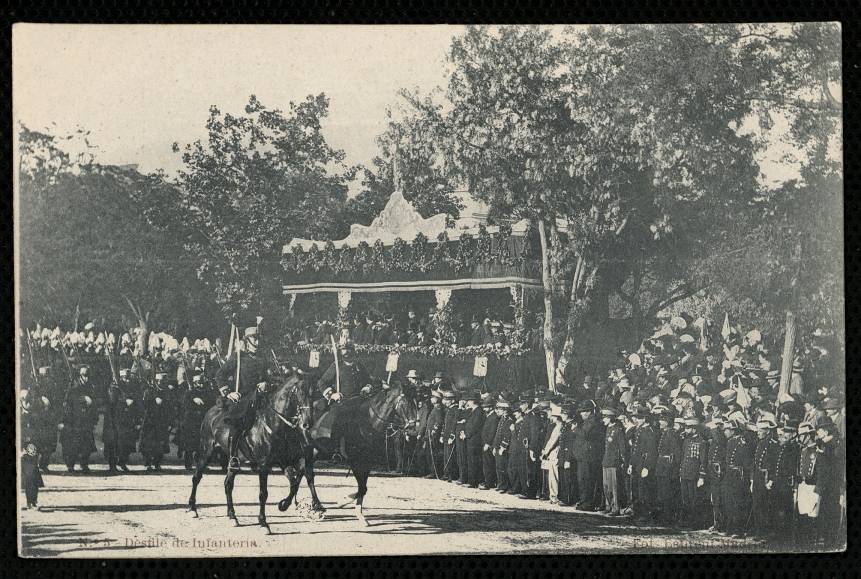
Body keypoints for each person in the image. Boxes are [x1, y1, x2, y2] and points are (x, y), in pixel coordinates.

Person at [218, 326, 269, 468]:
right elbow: (220, 375)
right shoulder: (239, 357)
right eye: (254, 338)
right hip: (242, 397)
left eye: (258, 338)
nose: (257, 342)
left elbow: (266, 377)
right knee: (238, 422)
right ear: (247, 341)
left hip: (259, 397)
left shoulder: (262, 359)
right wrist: (229, 392)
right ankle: (233, 457)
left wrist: (266, 383)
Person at [312, 340, 371, 459]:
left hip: (358, 401)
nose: (346, 352)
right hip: (341, 402)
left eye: (349, 350)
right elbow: (322, 382)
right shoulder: (336, 366)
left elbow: (368, 381)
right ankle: (336, 449)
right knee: (337, 419)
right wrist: (332, 394)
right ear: (341, 352)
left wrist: (366, 387)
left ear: (353, 351)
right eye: (344, 350)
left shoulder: (359, 366)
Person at [60, 365, 99, 473]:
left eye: (88, 375)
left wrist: (94, 419)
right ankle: (70, 465)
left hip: (86, 420)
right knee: (71, 444)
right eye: (84, 375)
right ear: (79, 375)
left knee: (86, 444)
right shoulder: (73, 386)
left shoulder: (90, 387)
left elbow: (94, 403)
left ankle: (84, 464)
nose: (86, 378)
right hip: (74, 421)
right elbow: (67, 403)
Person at [721, 413, 753, 538]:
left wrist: (747, 478)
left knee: (738, 503)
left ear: (733, 431)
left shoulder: (741, 442)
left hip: (739, 476)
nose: (725, 432)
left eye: (727, 430)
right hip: (730, 475)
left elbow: (747, 463)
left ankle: (738, 530)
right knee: (729, 502)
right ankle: (730, 528)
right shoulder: (730, 442)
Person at [750, 412, 781, 535]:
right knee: (757, 503)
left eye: (761, 430)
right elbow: (756, 463)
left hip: (766, 477)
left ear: (767, 431)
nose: (758, 432)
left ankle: (765, 531)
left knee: (765, 504)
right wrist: (752, 479)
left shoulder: (773, 445)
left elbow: (774, 464)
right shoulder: (760, 443)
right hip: (758, 476)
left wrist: (771, 479)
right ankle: (759, 530)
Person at [180, 373, 216, 470]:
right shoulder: (189, 393)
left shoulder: (207, 392)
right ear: (195, 383)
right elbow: (184, 405)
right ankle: (188, 464)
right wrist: (193, 399)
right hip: (191, 422)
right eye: (199, 383)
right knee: (189, 445)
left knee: (202, 445)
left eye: (202, 383)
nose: (201, 385)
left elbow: (211, 405)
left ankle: (200, 464)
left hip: (203, 421)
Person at [678, 416, 709, 529]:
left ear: (694, 429)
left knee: (694, 499)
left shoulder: (702, 442)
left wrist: (702, 476)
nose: (685, 430)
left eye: (688, 428)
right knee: (685, 499)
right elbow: (683, 457)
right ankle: (686, 521)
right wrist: (681, 471)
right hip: (685, 473)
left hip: (694, 475)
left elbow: (703, 460)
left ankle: (695, 522)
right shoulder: (686, 440)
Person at [572, 399, 603, 510]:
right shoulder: (588, 421)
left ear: (589, 411)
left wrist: (575, 429)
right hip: (584, 456)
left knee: (587, 480)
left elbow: (585, 434)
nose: (581, 414)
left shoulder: (592, 421)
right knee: (583, 480)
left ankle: (587, 503)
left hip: (588, 457)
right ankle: (584, 501)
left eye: (583, 411)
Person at [654, 408, 682, 524]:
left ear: (668, 422)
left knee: (667, 493)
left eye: (662, 420)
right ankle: (664, 516)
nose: (660, 422)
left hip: (668, 468)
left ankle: (668, 517)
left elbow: (677, 454)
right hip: (661, 466)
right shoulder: (664, 433)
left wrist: (673, 468)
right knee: (661, 492)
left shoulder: (671, 434)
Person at [628, 406, 657, 522]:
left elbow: (651, 451)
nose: (636, 420)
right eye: (635, 417)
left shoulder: (649, 431)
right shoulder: (638, 430)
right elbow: (635, 450)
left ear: (645, 419)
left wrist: (647, 467)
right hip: (636, 464)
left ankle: (644, 514)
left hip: (643, 464)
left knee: (643, 490)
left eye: (639, 418)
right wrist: (631, 464)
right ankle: (636, 511)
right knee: (635, 488)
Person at [600, 403, 628, 516]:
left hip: (614, 461)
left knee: (614, 487)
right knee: (606, 486)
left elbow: (622, 447)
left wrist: (623, 461)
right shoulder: (608, 428)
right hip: (606, 460)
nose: (603, 420)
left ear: (611, 418)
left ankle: (615, 507)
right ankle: (608, 506)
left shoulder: (618, 430)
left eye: (605, 417)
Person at [705, 415, 727, 533]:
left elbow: (720, 439)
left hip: (719, 471)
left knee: (718, 498)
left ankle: (720, 524)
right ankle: (716, 523)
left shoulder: (722, 439)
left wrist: (715, 429)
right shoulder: (714, 440)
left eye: (719, 425)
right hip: (712, 471)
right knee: (715, 499)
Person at [540, 404, 564, 504]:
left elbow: (552, 441)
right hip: (553, 453)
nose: (552, 418)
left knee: (554, 476)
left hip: (555, 453)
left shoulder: (559, 427)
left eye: (553, 416)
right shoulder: (557, 426)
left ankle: (554, 496)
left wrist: (545, 452)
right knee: (552, 475)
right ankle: (553, 495)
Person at [462, 391, 485, 488]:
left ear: (473, 401)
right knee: (471, 460)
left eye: (469, 400)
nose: (467, 402)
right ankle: (472, 481)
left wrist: (466, 434)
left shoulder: (478, 412)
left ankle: (473, 482)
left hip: (475, 440)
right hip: (471, 439)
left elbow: (475, 426)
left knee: (474, 460)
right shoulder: (473, 411)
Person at [492, 399, 513, 493]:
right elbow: (498, 434)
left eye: (500, 409)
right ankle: (501, 484)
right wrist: (495, 446)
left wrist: (502, 447)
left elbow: (507, 435)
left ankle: (504, 486)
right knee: (498, 467)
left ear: (505, 410)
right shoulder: (502, 419)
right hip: (497, 446)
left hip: (503, 448)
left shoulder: (509, 420)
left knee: (503, 467)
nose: (498, 411)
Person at [479, 393, 500, 490]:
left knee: (489, 463)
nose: (484, 409)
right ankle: (488, 480)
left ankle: (489, 482)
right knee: (486, 463)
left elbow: (492, 431)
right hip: (485, 443)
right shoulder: (489, 416)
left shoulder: (494, 417)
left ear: (491, 407)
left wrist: (488, 443)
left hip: (488, 444)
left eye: (486, 407)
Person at [425, 389, 445, 479]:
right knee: (430, 453)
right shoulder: (434, 408)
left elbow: (439, 422)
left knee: (433, 453)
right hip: (430, 434)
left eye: (433, 397)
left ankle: (434, 472)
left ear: (438, 399)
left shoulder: (438, 408)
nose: (431, 399)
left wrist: (433, 431)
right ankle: (432, 471)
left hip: (434, 435)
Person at [441, 390, 460, 482]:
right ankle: (447, 473)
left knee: (451, 456)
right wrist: (442, 435)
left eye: (448, 399)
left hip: (450, 438)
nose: (445, 401)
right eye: (445, 399)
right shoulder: (448, 410)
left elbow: (454, 424)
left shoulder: (455, 410)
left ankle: (452, 475)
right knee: (446, 455)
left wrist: (452, 437)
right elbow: (445, 424)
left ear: (452, 400)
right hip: (446, 436)